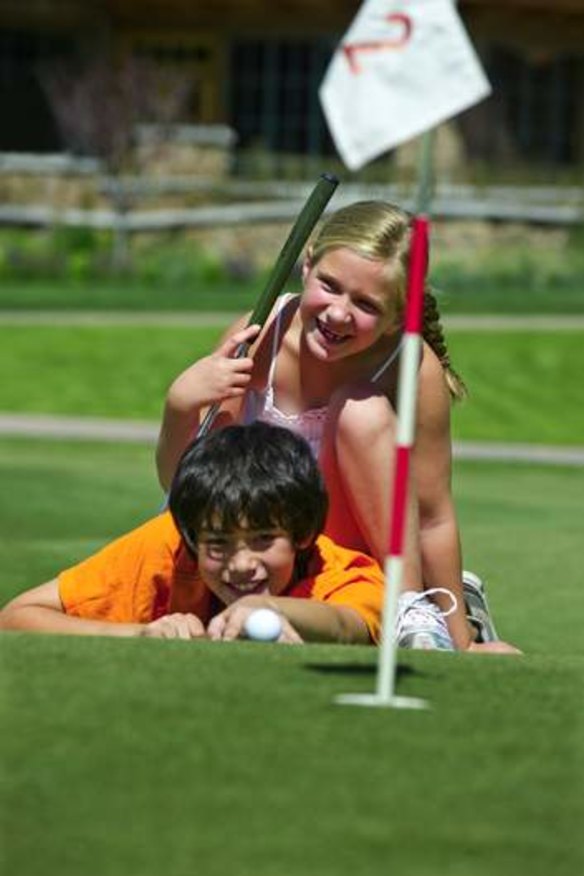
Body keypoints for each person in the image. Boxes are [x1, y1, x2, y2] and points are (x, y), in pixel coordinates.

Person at [156, 201, 520, 654]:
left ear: (398, 317)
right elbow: (188, 487)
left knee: (360, 410)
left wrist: (460, 643)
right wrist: (179, 405)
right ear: (306, 266)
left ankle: (407, 608)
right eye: (330, 286)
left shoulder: (410, 365)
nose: (338, 314)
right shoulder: (259, 335)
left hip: (343, 565)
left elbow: (432, 516)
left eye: (367, 304)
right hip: (248, 553)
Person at [2, 423, 402, 644]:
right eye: (218, 544)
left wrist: (271, 610)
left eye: (264, 538)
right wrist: (141, 633)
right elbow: (17, 616)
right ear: (192, 539)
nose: (242, 565)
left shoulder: (343, 571)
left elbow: (349, 624)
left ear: (301, 533)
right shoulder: (167, 544)